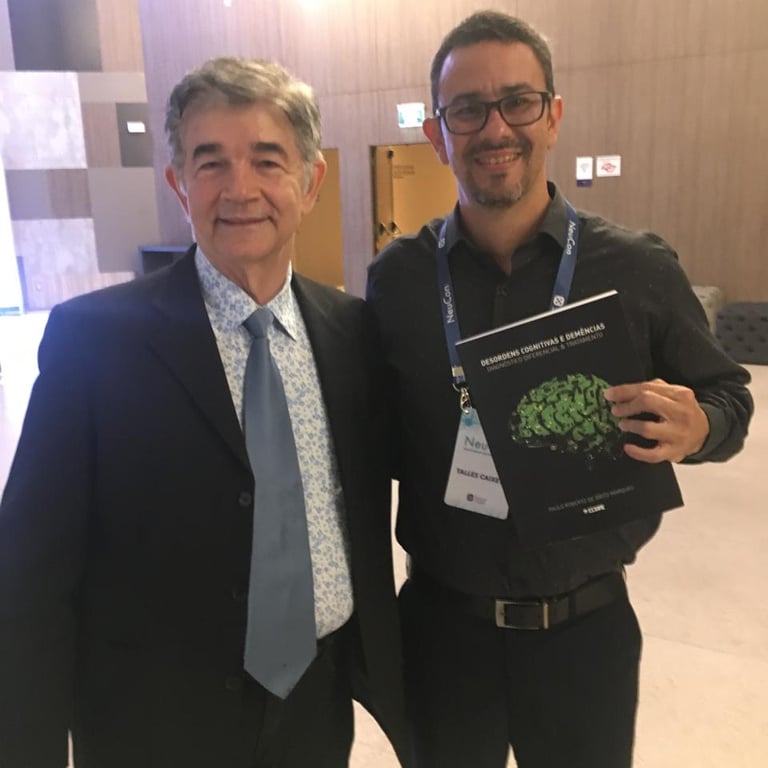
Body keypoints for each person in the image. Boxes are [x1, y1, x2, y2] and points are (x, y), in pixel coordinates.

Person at [366, 11, 753, 768]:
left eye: (518, 101)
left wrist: (699, 427)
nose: (495, 128)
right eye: (467, 109)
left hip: (587, 637)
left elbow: (729, 397)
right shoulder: (398, 281)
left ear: (554, 116)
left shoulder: (636, 267)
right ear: (438, 134)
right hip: (442, 638)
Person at [0, 57, 410, 768]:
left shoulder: (352, 332)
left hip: (315, 707)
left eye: (267, 160)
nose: (240, 189)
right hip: (155, 722)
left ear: (311, 181)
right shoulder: (95, 340)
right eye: (210, 161)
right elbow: (29, 576)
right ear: (179, 184)